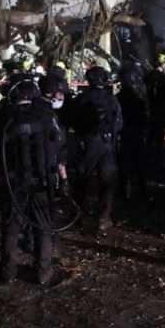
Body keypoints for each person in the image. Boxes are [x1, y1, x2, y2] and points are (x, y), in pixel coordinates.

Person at [0, 79, 61, 284]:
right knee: (43, 227)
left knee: (11, 227)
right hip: (40, 181)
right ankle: (44, 273)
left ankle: (8, 271)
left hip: (13, 182)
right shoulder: (46, 115)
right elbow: (58, 145)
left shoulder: (4, 117)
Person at [71, 66, 122, 232]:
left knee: (83, 179)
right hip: (107, 143)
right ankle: (103, 218)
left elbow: (73, 121)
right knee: (107, 181)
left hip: (87, 142)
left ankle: (80, 216)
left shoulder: (81, 99)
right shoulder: (112, 99)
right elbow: (119, 123)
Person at [117, 62, 150, 200]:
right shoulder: (139, 97)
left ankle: (126, 191)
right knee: (139, 163)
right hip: (137, 133)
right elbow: (145, 116)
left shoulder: (119, 97)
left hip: (126, 133)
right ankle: (142, 191)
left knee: (125, 163)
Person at [146, 53, 165, 171]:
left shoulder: (148, 76)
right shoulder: (164, 78)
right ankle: (159, 164)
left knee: (151, 138)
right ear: (163, 64)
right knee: (160, 140)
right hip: (161, 113)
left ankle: (150, 162)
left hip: (151, 112)